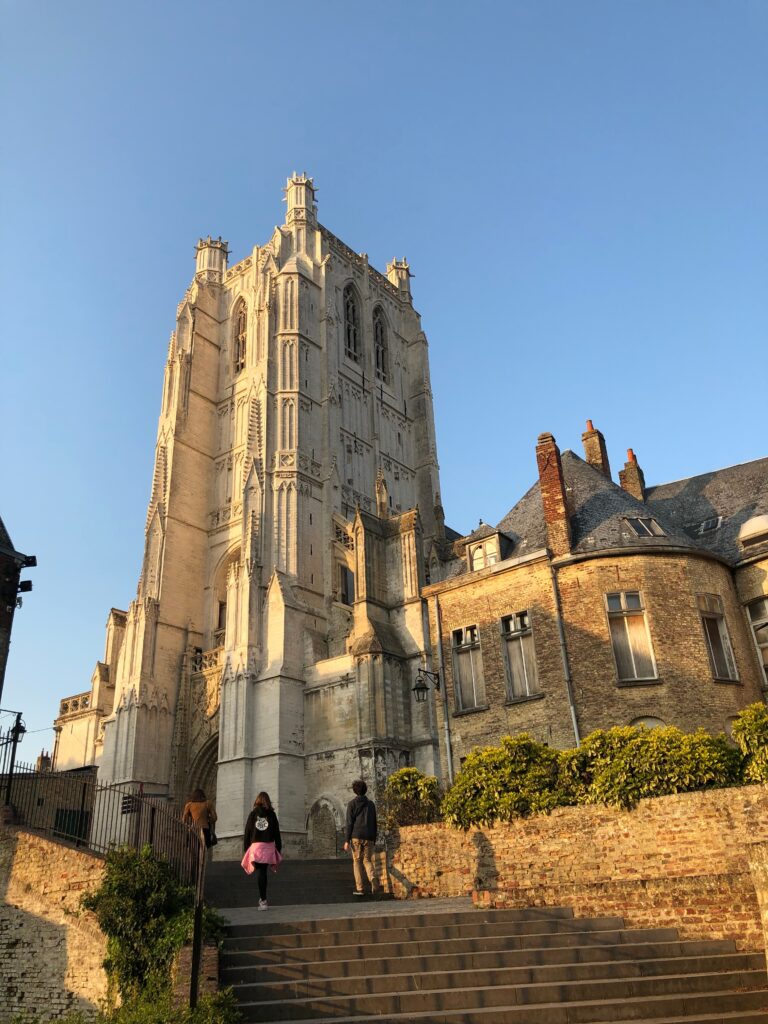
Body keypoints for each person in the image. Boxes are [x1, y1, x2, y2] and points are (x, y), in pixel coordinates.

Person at [242, 791, 282, 910]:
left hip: (256, 848)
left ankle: (263, 900)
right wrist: (278, 848)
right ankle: (263, 900)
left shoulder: (253, 814)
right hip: (268, 847)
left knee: (260, 873)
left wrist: (246, 849)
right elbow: (277, 833)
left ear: (257, 801)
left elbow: (247, 832)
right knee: (263, 872)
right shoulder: (272, 815)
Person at [343, 779, 379, 897]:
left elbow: (349, 823)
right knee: (367, 860)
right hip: (369, 836)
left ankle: (360, 888)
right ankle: (372, 877)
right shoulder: (371, 804)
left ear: (355, 791)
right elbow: (374, 822)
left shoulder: (352, 804)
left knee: (357, 861)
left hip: (356, 836)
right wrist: (374, 838)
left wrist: (347, 840)